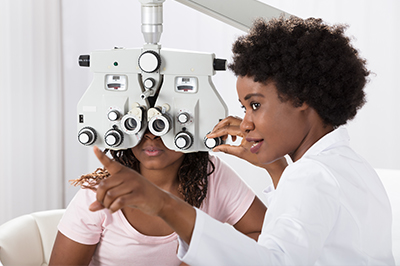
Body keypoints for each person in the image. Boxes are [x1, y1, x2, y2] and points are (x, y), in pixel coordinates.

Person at [86, 16, 395, 265]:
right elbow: (297, 236)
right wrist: (275, 168)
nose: (245, 124)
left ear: (301, 98)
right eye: (243, 108)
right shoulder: (347, 165)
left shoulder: (311, 175)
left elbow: (273, 260)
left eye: (256, 105)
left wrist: (165, 205)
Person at [49, 130, 269, 265]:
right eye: (141, 122)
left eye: (163, 123)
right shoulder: (99, 194)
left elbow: (268, 238)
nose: (151, 135)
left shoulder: (213, 176)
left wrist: (201, 256)